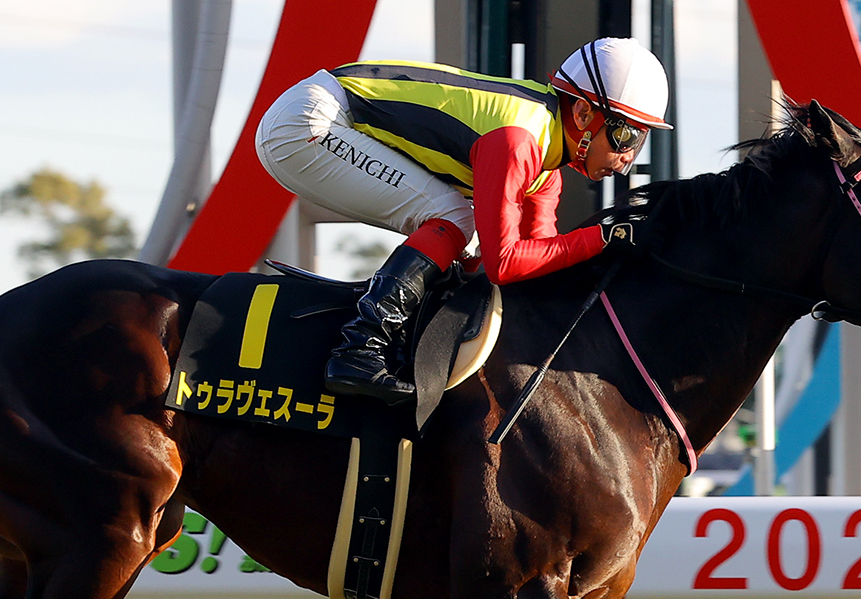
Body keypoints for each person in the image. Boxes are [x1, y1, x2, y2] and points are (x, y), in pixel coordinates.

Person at [254, 37, 673, 404]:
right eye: (626, 136)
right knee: (453, 216)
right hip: (308, 123)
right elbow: (504, 262)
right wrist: (604, 238)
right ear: (582, 114)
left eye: (639, 141)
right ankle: (360, 347)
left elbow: (538, 267)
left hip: (323, 115)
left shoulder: (545, 172)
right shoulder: (518, 140)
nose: (627, 159)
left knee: (459, 232)